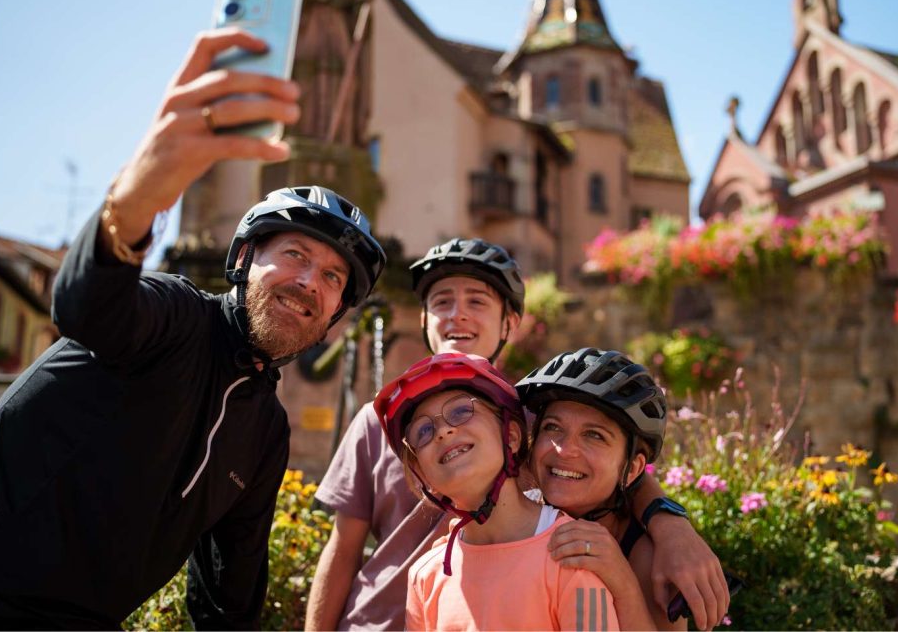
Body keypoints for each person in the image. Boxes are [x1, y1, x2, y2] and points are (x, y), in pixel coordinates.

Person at [0, 29, 386, 629]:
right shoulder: (176, 316)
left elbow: (230, 590)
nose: (311, 282)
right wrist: (136, 194)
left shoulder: (264, 429)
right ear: (244, 259)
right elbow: (86, 305)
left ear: (335, 314)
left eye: (334, 278)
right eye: (296, 254)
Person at [307, 239, 730, 631]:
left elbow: (615, 468)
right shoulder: (375, 420)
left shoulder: (532, 419)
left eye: (477, 301)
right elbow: (342, 549)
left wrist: (672, 526)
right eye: (441, 302)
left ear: (510, 321)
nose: (457, 314)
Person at [375, 352, 653, 630]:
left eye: (461, 411)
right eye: (422, 431)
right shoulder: (425, 576)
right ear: (422, 474)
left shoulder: (573, 554)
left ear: (510, 437)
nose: (442, 431)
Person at [518, 347, 705, 630]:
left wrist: (621, 579)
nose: (566, 450)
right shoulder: (511, 519)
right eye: (553, 427)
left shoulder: (647, 558)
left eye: (594, 435)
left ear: (631, 470)